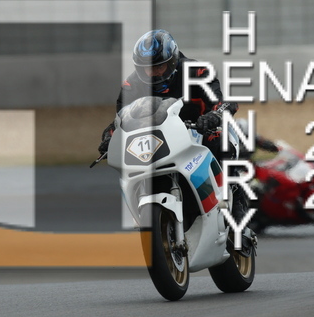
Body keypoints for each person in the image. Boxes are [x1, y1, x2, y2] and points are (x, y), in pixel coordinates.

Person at [97, 29, 278, 223]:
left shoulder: (196, 71)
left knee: (220, 141)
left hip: (198, 131)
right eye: (147, 69)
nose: (154, 73)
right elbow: (122, 118)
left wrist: (214, 116)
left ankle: (236, 204)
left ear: (172, 61)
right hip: (159, 139)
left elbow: (225, 102)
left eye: (160, 66)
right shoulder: (131, 85)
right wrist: (110, 137)